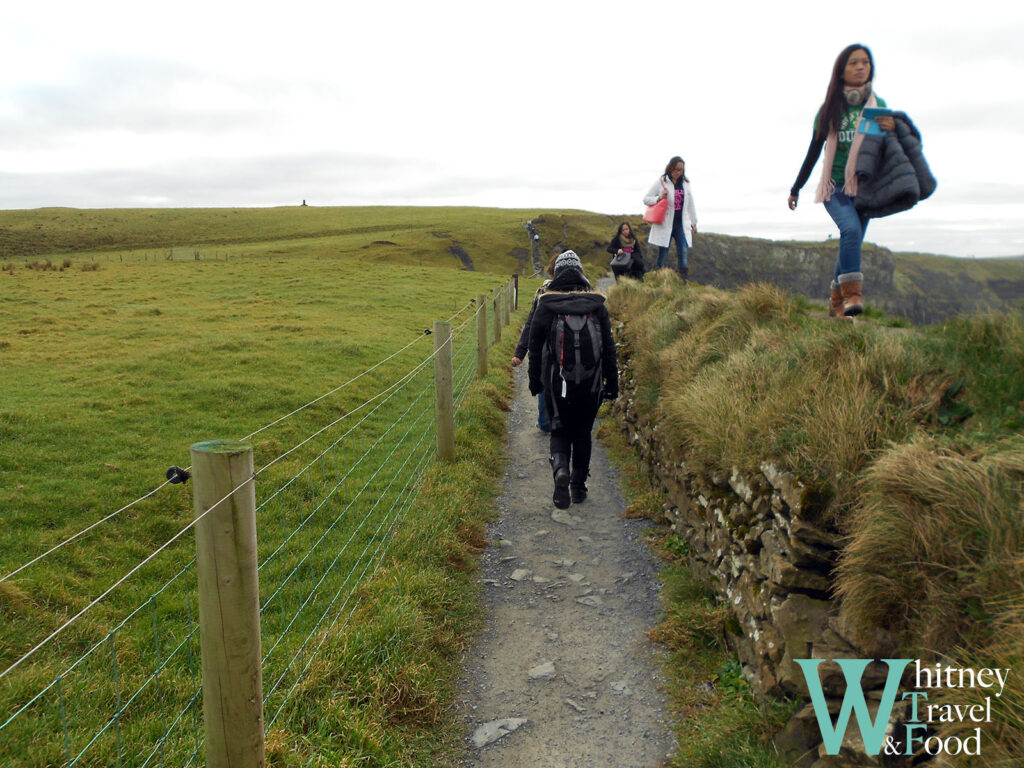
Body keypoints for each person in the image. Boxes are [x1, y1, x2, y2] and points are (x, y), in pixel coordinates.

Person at [787, 43, 895, 319]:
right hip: (835, 186)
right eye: (854, 63)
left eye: (866, 62)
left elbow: (885, 149)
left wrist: (892, 132)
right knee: (850, 230)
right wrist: (796, 187)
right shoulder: (830, 110)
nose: (861, 67)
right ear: (841, 71)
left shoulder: (877, 107)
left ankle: (836, 305)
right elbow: (814, 152)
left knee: (853, 240)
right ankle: (852, 296)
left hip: (865, 188)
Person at [528, 250, 617, 509]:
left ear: (558, 274)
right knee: (582, 433)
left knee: (560, 429)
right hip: (590, 385)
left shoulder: (547, 304)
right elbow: (609, 349)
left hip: (558, 384)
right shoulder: (597, 304)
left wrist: (536, 383)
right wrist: (612, 385)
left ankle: (560, 472)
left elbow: (535, 348)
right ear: (580, 272)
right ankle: (578, 487)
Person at [513, 249, 580, 432]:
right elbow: (531, 323)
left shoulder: (543, 291)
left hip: (546, 350)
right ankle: (560, 419)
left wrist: (520, 353)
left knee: (546, 382)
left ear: (550, 271)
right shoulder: (575, 291)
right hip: (565, 348)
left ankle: (546, 421)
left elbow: (531, 324)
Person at [643, 157, 697, 282]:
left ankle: (683, 281)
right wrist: (659, 198)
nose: (679, 172)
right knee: (663, 252)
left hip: (681, 224)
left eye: (681, 170)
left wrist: (694, 223)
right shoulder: (662, 182)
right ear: (670, 167)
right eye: (677, 169)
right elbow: (646, 199)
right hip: (666, 224)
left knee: (683, 252)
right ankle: (658, 278)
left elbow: (690, 205)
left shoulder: (686, 184)